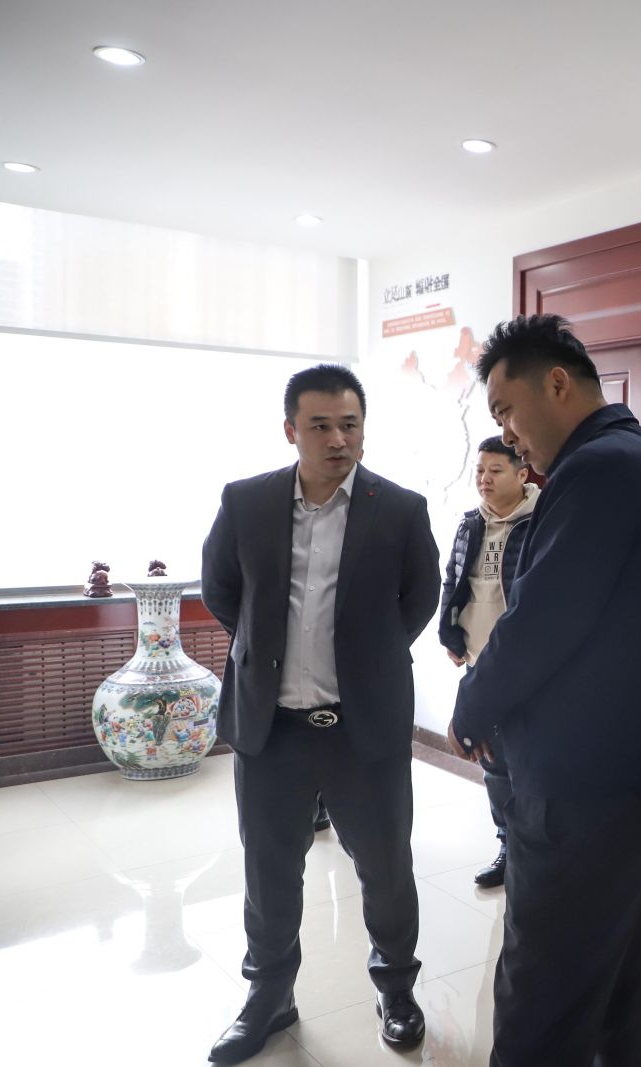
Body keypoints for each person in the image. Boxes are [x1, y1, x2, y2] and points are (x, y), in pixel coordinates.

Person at [447, 314, 641, 1066]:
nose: (507, 433)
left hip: (581, 784)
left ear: (556, 383)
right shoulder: (638, 460)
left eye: (506, 410)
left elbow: (540, 620)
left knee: (543, 997)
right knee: (616, 974)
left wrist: (473, 703)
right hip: (625, 771)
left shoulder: (600, 470)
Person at [201, 364, 440, 1063]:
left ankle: (396, 989)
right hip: (272, 729)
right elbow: (222, 589)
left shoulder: (400, 509)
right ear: (291, 430)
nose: (339, 439)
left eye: (350, 424)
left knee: (386, 869)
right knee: (270, 872)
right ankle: (269, 996)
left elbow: (419, 600)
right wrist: (267, 650)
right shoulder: (246, 501)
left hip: (364, 730)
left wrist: (367, 660)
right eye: (321, 425)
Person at [438, 435, 540, 888]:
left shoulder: (540, 522)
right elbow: (453, 579)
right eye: (480, 470)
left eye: (495, 470)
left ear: (522, 474)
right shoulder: (470, 524)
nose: (484, 479)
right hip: (479, 662)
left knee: (529, 765)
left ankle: (534, 852)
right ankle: (507, 847)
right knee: (492, 762)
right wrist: (450, 631)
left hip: (526, 670)